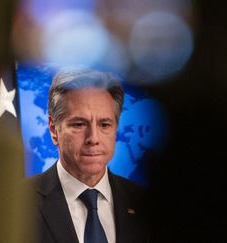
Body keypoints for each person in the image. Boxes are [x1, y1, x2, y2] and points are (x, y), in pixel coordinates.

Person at [30, 68, 150, 243]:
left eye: (104, 124)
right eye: (79, 124)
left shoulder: (147, 205)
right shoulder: (18, 204)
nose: (93, 138)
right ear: (54, 129)